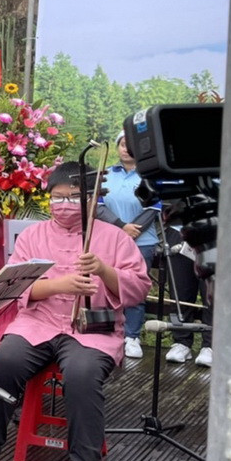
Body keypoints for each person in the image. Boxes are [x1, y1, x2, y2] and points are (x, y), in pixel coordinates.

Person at [0, 162, 152, 461]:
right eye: (57, 198)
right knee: (4, 363)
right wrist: (59, 285)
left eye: (74, 197)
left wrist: (105, 271)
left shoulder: (115, 237)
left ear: (93, 199)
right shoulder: (33, 235)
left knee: (82, 374)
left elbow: (138, 290)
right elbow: (15, 287)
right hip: (38, 323)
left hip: (92, 330)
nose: (64, 204)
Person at [97, 132, 159, 359]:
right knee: (107, 285)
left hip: (142, 242)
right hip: (109, 240)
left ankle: (132, 337)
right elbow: (98, 205)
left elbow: (154, 208)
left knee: (135, 288)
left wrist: (131, 230)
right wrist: (121, 227)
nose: (126, 149)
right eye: (122, 145)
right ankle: (107, 332)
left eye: (130, 145)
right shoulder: (106, 175)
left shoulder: (150, 176)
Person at [163, 212, 214, 367]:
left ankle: (210, 345)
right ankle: (181, 341)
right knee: (179, 291)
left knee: (210, 293)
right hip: (178, 229)